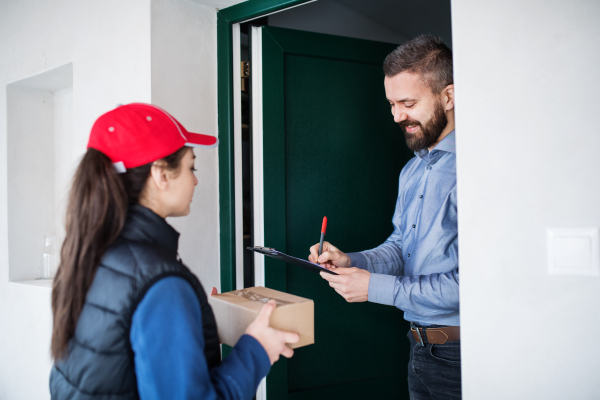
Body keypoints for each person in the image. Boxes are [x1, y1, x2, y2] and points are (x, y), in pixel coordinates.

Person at [50, 103, 299, 399]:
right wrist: (257, 350)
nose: (195, 179)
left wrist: (193, 321)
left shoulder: (91, 252)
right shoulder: (160, 283)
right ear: (161, 175)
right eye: (190, 166)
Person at [309, 35, 460, 399]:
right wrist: (352, 261)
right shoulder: (412, 171)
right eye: (392, 104)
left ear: (449, 97)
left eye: (408, 103)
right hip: (420, 351)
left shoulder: (478, 172)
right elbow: (400, 248)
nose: (396, 116)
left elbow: (471, 286)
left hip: (463, 357)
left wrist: (372, 288)